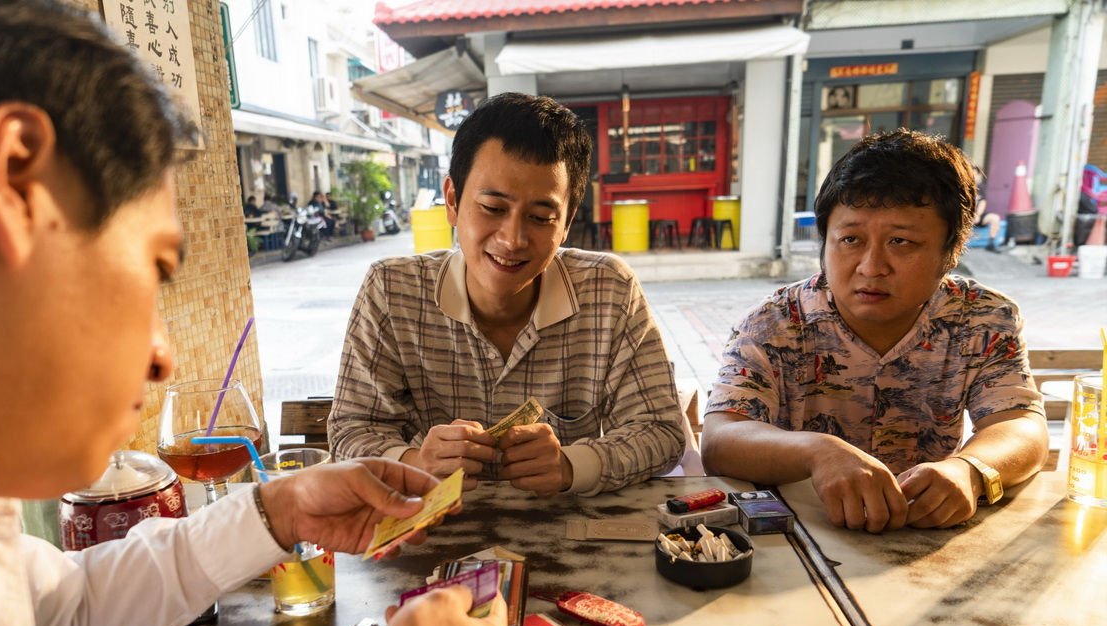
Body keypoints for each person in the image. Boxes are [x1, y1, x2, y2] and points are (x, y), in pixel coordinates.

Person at [0, 2, 509, 626]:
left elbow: (64, 615)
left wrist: (275, 510)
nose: (162, 354)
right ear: (19, 182)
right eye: (158, 268)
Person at [329, 92, 685, 497]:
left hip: (567, 540)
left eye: (540, 218)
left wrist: (572, 465)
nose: (512, 240)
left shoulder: (609, 291)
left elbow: (661, 430)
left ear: (566, 223)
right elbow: (350, 430)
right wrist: (416, 463)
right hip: (430, 538)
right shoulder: (392, 291)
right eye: (492, 208)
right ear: (452, 200)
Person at [702, 129, 1048, 536]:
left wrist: (970, 469)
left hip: (927, 529)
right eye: (850, 239)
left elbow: (1022, 426)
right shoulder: (773, 324)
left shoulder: (982, 319)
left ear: (950, 251)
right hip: (802, 534)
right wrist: (817, 451)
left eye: (901, 241)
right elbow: (721, 439)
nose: (870, 266)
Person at [974, 181, 1002, 252]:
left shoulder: (980, 187)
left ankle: (991, 244)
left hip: (978, 215)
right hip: (966, 215)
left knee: (995, 218)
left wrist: (978, 215)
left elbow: (983, 202)